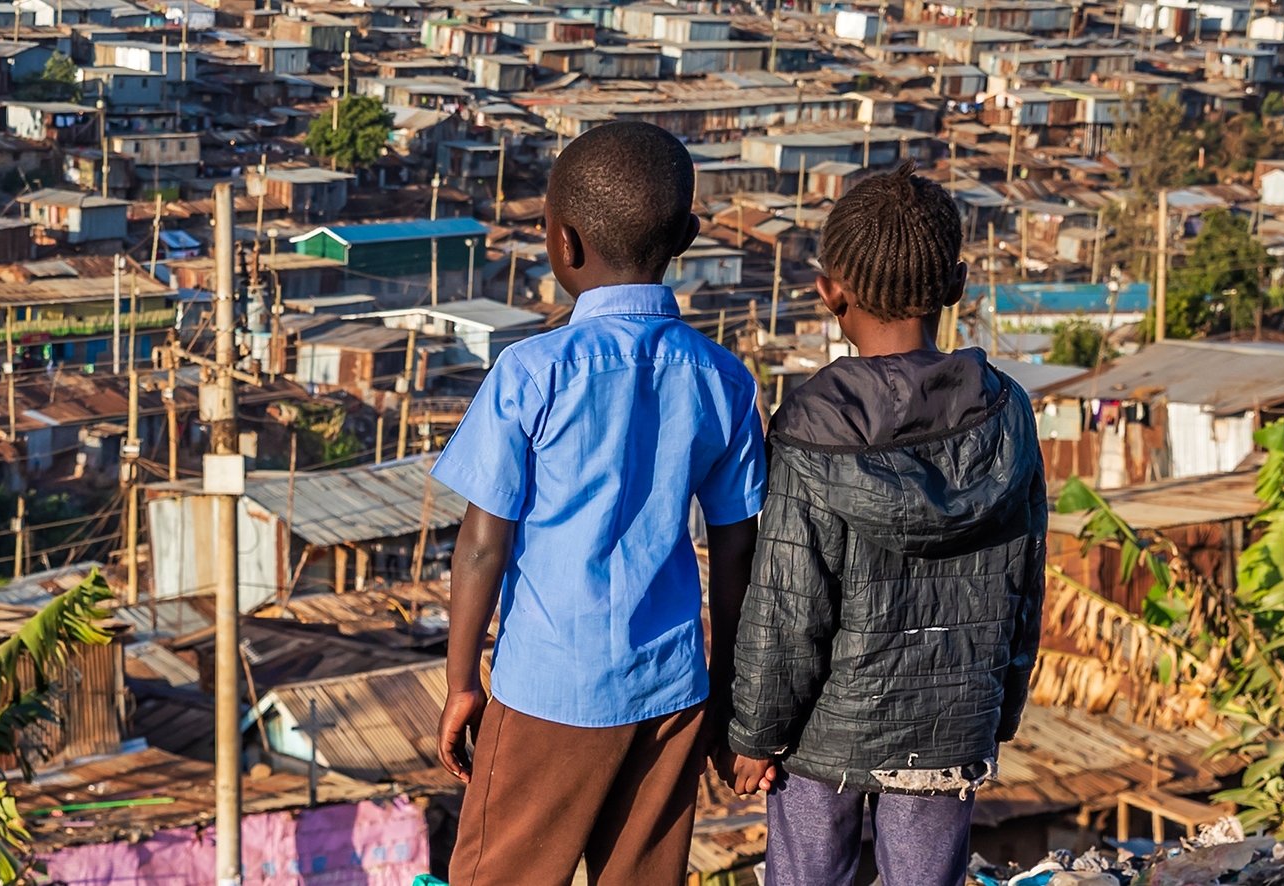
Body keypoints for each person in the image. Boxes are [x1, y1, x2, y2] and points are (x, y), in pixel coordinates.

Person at [433, 121, 766, 886]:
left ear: (564, 243)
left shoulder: (533, 372)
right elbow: (738, 551)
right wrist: (726, 694)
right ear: (684, 236)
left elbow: (483, 545)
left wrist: (460, 684)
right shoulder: (724, 379)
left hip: (549, 689)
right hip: (672, 688)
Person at [724, 163, 1048, 886]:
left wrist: (754, 734)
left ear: (829, 290)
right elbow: (1027, 580)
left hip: (818, 737)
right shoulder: (1007, 413)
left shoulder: (811, 425)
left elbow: (787, 604)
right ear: (956, 284)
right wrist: (1000, 707)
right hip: (951, 719)